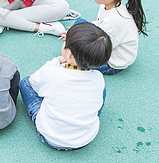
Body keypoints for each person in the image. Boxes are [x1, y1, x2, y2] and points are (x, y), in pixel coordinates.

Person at [20, 22, 112, 150]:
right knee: (100, 91)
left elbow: (33, 82)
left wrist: (55, 62)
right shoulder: (98, 78)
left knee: (24, 83)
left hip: (49, 136)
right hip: (84, 139)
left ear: (69, 54)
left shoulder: (52, 72)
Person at [69, 0, 147, 75]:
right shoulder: (109, 4)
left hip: (111, 62)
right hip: (106, 37)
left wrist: (74, 39)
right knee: (78, 23)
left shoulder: (114, 21)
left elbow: (99, 48)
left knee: (73, 60)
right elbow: (100, 25)